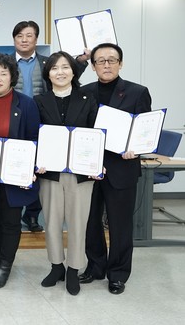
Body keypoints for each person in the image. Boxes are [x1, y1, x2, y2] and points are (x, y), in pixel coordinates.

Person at [79, 43, 152, 295]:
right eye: (100, 61)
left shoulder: (137, 92)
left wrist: (137, 149)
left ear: (121, 63)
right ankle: (95, 267)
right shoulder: (84, 92)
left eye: (112, 60)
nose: (106, 65)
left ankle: (118, 274)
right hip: (89, 168)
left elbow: (143, 130)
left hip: (122, 167)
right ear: (93, 66)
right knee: (90, 222)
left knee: (120, 225)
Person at [11, 20, 90, 233]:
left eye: (29, 35)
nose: (24, 40)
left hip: (44, 120)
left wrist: (81, 61)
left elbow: (66, 76)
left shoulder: (48, 62)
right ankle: (14, 213)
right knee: (19, 167)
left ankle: (32, 214)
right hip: (16, 122)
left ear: (36, 39)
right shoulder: (6, 63)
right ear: (14, 39)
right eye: (20, 36)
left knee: (42, 171)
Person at [34, 52, 99, 296]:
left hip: (80, 173)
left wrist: (97, 163)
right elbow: (34, 136)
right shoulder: (39, 101)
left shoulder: (88, 99)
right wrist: (36, 161)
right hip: (50, 172)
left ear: (73, 71)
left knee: (78, 222)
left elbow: (96, 134)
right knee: (51, 222)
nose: (60, 72)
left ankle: (73, 269)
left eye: (65, 67)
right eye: (54, 68)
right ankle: (56, 267)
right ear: (47, 74)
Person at [0, 53, 40, 289]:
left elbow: (34, 138)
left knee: (11, 220)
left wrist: (30, 168)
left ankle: (5, 264)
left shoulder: (26, 104)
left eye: (3, 73)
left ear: (12, 76)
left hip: (15, 174)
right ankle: (0, 256)